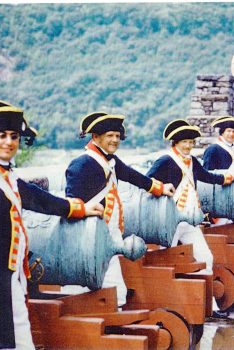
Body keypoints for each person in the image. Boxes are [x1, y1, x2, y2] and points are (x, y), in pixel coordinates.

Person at [0, 101, 103, 350]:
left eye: (14, 136)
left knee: (19, 339)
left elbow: (40, 200)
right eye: (1, 136)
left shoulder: (8, 177)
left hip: (13, 277)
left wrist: (80, 208)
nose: (9, 142)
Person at [65, 112, 175, 306]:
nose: (115, 140)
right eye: (110, 135)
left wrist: (159, 188)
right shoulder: (81, 164)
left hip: (112, 233)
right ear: (96, 137)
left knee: (115, 290)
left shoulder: (111, 162)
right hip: (92, 237)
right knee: (98, 290)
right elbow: (73, 202)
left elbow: (134, 177)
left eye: (117, 136)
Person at [146, 119, 232, 274]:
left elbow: (206, 176)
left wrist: (225, 178)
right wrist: (161, 188)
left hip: (189, 220)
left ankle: (204, 296)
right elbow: (148, 182)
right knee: (166, 261)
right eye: (184, 142)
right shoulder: (165, 160)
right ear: (175, 143)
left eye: (191, 142)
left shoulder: (191, 160)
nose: (188, 146)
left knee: (206, 258)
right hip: (169, 221)